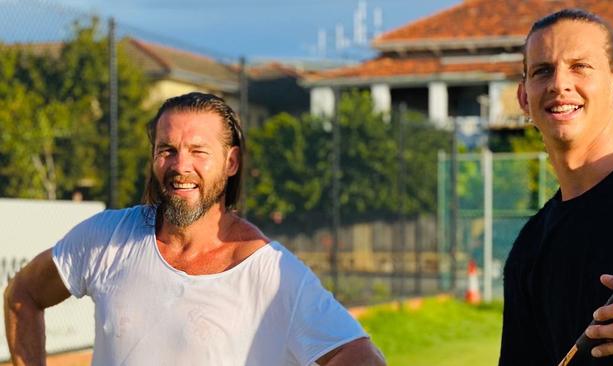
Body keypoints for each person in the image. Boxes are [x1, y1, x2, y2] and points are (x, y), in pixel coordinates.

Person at [4, 92, 386, 366]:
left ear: (231, 162)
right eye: (167, 149)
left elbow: (361, 359)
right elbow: (23, 294)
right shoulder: (107, 238)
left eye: (199, 151)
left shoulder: (273, 275)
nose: (180, 165)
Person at [498, 8, 613, 366]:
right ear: (524, 99)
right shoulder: (529, 251)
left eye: (580, 66)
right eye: (542, 71)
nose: (559, 84)